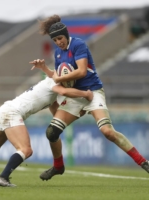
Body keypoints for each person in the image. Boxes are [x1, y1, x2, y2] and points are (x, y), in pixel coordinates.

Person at [30, 14, 149, 181]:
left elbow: (81, 71)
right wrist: (44, 69)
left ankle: (143, 162)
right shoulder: (58, 53)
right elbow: (58, 76)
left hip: (92, 93)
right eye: (55, 40)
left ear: (66, 34)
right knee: (51, 132)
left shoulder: (78, 45)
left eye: (60, 38)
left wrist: (58, 79)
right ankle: (58, 166)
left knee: (107, 131)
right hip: (76, 96)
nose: (59, 42)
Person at [0, 76, 93, 187]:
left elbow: (57, 116)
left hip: (6, 109)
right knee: (26, 150)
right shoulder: (52, 81)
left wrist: (78, 114)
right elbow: (64, 92)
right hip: (12, 112)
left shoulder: (53, 92)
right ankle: (3, 177)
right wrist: (86, 94)